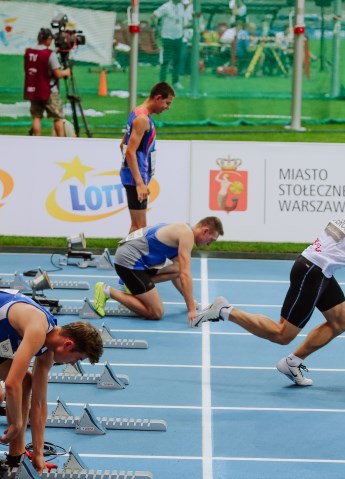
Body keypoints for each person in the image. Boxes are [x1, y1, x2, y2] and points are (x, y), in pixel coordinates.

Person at [194, 211, 345, 386]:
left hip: (322, 270)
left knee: (340, 322)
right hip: (312, 270)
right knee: (282, 333)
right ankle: (224, 310)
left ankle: (292, 362)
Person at [0, 289, 103, 479]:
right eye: (77, 359)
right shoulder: (38, 330)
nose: (72, 364)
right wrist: (17, 423)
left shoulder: (47, 349)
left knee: (26, 381)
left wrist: (38, 453)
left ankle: (17, 455)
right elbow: (11, 384)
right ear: (68, 344)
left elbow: (39, 403)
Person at [93, 217, 224, 325]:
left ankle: (133, 286)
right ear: (205, 231)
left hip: (137, 261)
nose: (209, 244)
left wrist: (189, 300)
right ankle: (106, 290)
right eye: (211, 240)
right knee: (156, 312)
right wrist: (191, 310)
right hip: (128, 263)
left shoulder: (182, 230)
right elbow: (185, 274)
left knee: (177, 267)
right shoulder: (186, 235)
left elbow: (178, 274)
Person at [119, 82, 175, 234]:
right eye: (167, 103)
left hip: (133, 175)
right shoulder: (142, 119)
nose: (167, 107)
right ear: (158, 98)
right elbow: (130, 151)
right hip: (136, 178)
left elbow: (122, 144)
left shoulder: (137, 112)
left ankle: (126, 258)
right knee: (139, 228)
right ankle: (125, 258)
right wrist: (139, 182)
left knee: (138, 227)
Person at [24, 27, 71, 137]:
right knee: (58, 117)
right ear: (47, 39)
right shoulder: (49, 54)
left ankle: (37, 140)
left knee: (36, 117)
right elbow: (58, 74)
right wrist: (66, 72)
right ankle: (61, 141)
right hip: (49, 90)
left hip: (34, 90)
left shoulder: (29, 52)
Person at [151, 0, 186, 89]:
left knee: (177, 60)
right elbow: (153, 16)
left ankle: (176, 81)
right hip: (167, 37)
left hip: (178, 36)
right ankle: (162, 82)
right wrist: (157, 27)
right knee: (166, 60)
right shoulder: (166, 7)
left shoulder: (181, 6)